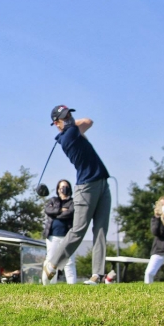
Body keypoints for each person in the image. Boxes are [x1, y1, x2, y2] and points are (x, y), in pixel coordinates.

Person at [43, 106, 111, 286]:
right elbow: (88, 121)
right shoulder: (69, 136)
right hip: (86, 188)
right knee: (78, 230)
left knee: (101, 230)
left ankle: (98, 275)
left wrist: (70, 123)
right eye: (65, 117)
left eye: (70, 114)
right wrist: (69, 125)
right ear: (57, 123)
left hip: (102, 182)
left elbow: (84, 123)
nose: (70, 118)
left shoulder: (71, 131)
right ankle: (53, 263)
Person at [41, 179, 77, 285]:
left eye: (65, 187)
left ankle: (72, 286)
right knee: (51, 261)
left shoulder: (73, 202)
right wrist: (61, 210)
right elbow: (47, 210)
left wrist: (55, 213)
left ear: (69, 188)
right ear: (58, 189)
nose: (63, 189)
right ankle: (49, 285)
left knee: (69, 262)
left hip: (68, 237)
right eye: (61, 187)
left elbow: (70, 213)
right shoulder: (53, 200)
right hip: (52, 236)